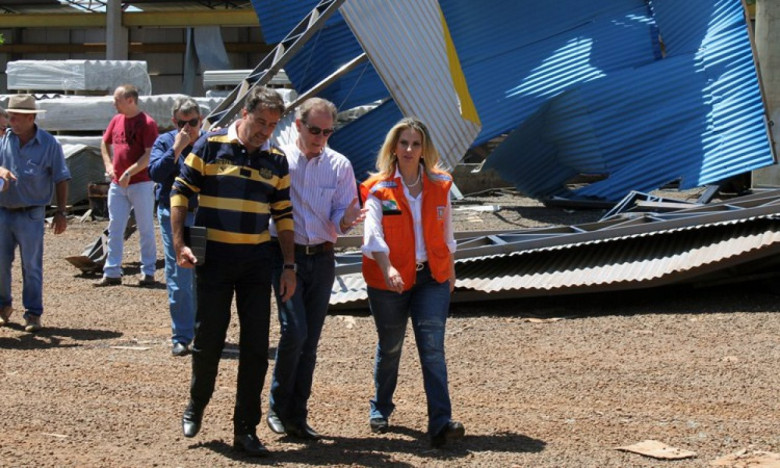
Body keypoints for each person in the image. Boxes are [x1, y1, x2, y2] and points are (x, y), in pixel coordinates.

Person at [170, 86, 296, 457]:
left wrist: (289, 265)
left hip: (257, 262)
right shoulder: (210, 145)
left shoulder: (277, 160)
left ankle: (246, 429)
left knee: (256, 348)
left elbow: (284, 215)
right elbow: (179, 193)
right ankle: (197, 404)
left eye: (272, 124)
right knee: (208, 339)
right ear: (245, 113)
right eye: (260, 122)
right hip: (214, 261)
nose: (265, 131)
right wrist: (179, 245)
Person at [359, 117, 464, 448]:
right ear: (393, 148)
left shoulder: (441, 184)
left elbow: (447, 232)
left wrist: (451, 271)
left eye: (415, 143)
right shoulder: (379, 188)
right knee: (391, 345)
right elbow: (372, 233)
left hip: (431, 277)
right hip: (387, 278)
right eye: (402, 143)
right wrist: (388, 267)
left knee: (432, 348)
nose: (408, 149)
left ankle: (441, 422)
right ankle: (381, 407)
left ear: (424, 149)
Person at [265, 97, 366, 440]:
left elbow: (341, 214)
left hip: (322, 257)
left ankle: (297, 413)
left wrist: (348, 219)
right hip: (285, 256)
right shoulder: (279, 160)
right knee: (294, 331)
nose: (320, 137)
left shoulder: (340, 166)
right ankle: (277, 406)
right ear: (297, 124)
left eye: (326, 132)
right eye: (314, 130)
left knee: (310, 340)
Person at [0, 96, 70, 332]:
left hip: (32, 213)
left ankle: (33, 313)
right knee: (0, 264)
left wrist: (61, 211)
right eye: (10, 117)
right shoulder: (4, 140)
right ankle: (3, 307)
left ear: (31, 118)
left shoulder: (49, 144)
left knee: (31, 265)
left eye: (15, 117)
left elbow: (61, 178)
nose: (11, 121)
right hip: (3, 210)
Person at [148, 97, 204, 357]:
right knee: (179, 275)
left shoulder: (208, 144)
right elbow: (155, 174)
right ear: (175, 122)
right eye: (183, 123)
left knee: (203, 276)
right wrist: (176, 149)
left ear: (200, 120)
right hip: (173, 215)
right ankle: (181, 336)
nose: (188, 128)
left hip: (203, 214)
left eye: (193, 122)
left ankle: (202, 331)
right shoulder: (165, 142)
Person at [97, 84, 158, 287]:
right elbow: (104, 143)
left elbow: (149, 155)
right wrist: (108, 164)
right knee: (115, 226)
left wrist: (129, 172)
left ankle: (148, 271)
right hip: (118, 183)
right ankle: (112, 270)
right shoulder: (116, 120)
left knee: (145, 227)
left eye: (117, 100)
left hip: (141, 183)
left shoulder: (147, 123)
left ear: (130, 100)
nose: (114, 103)